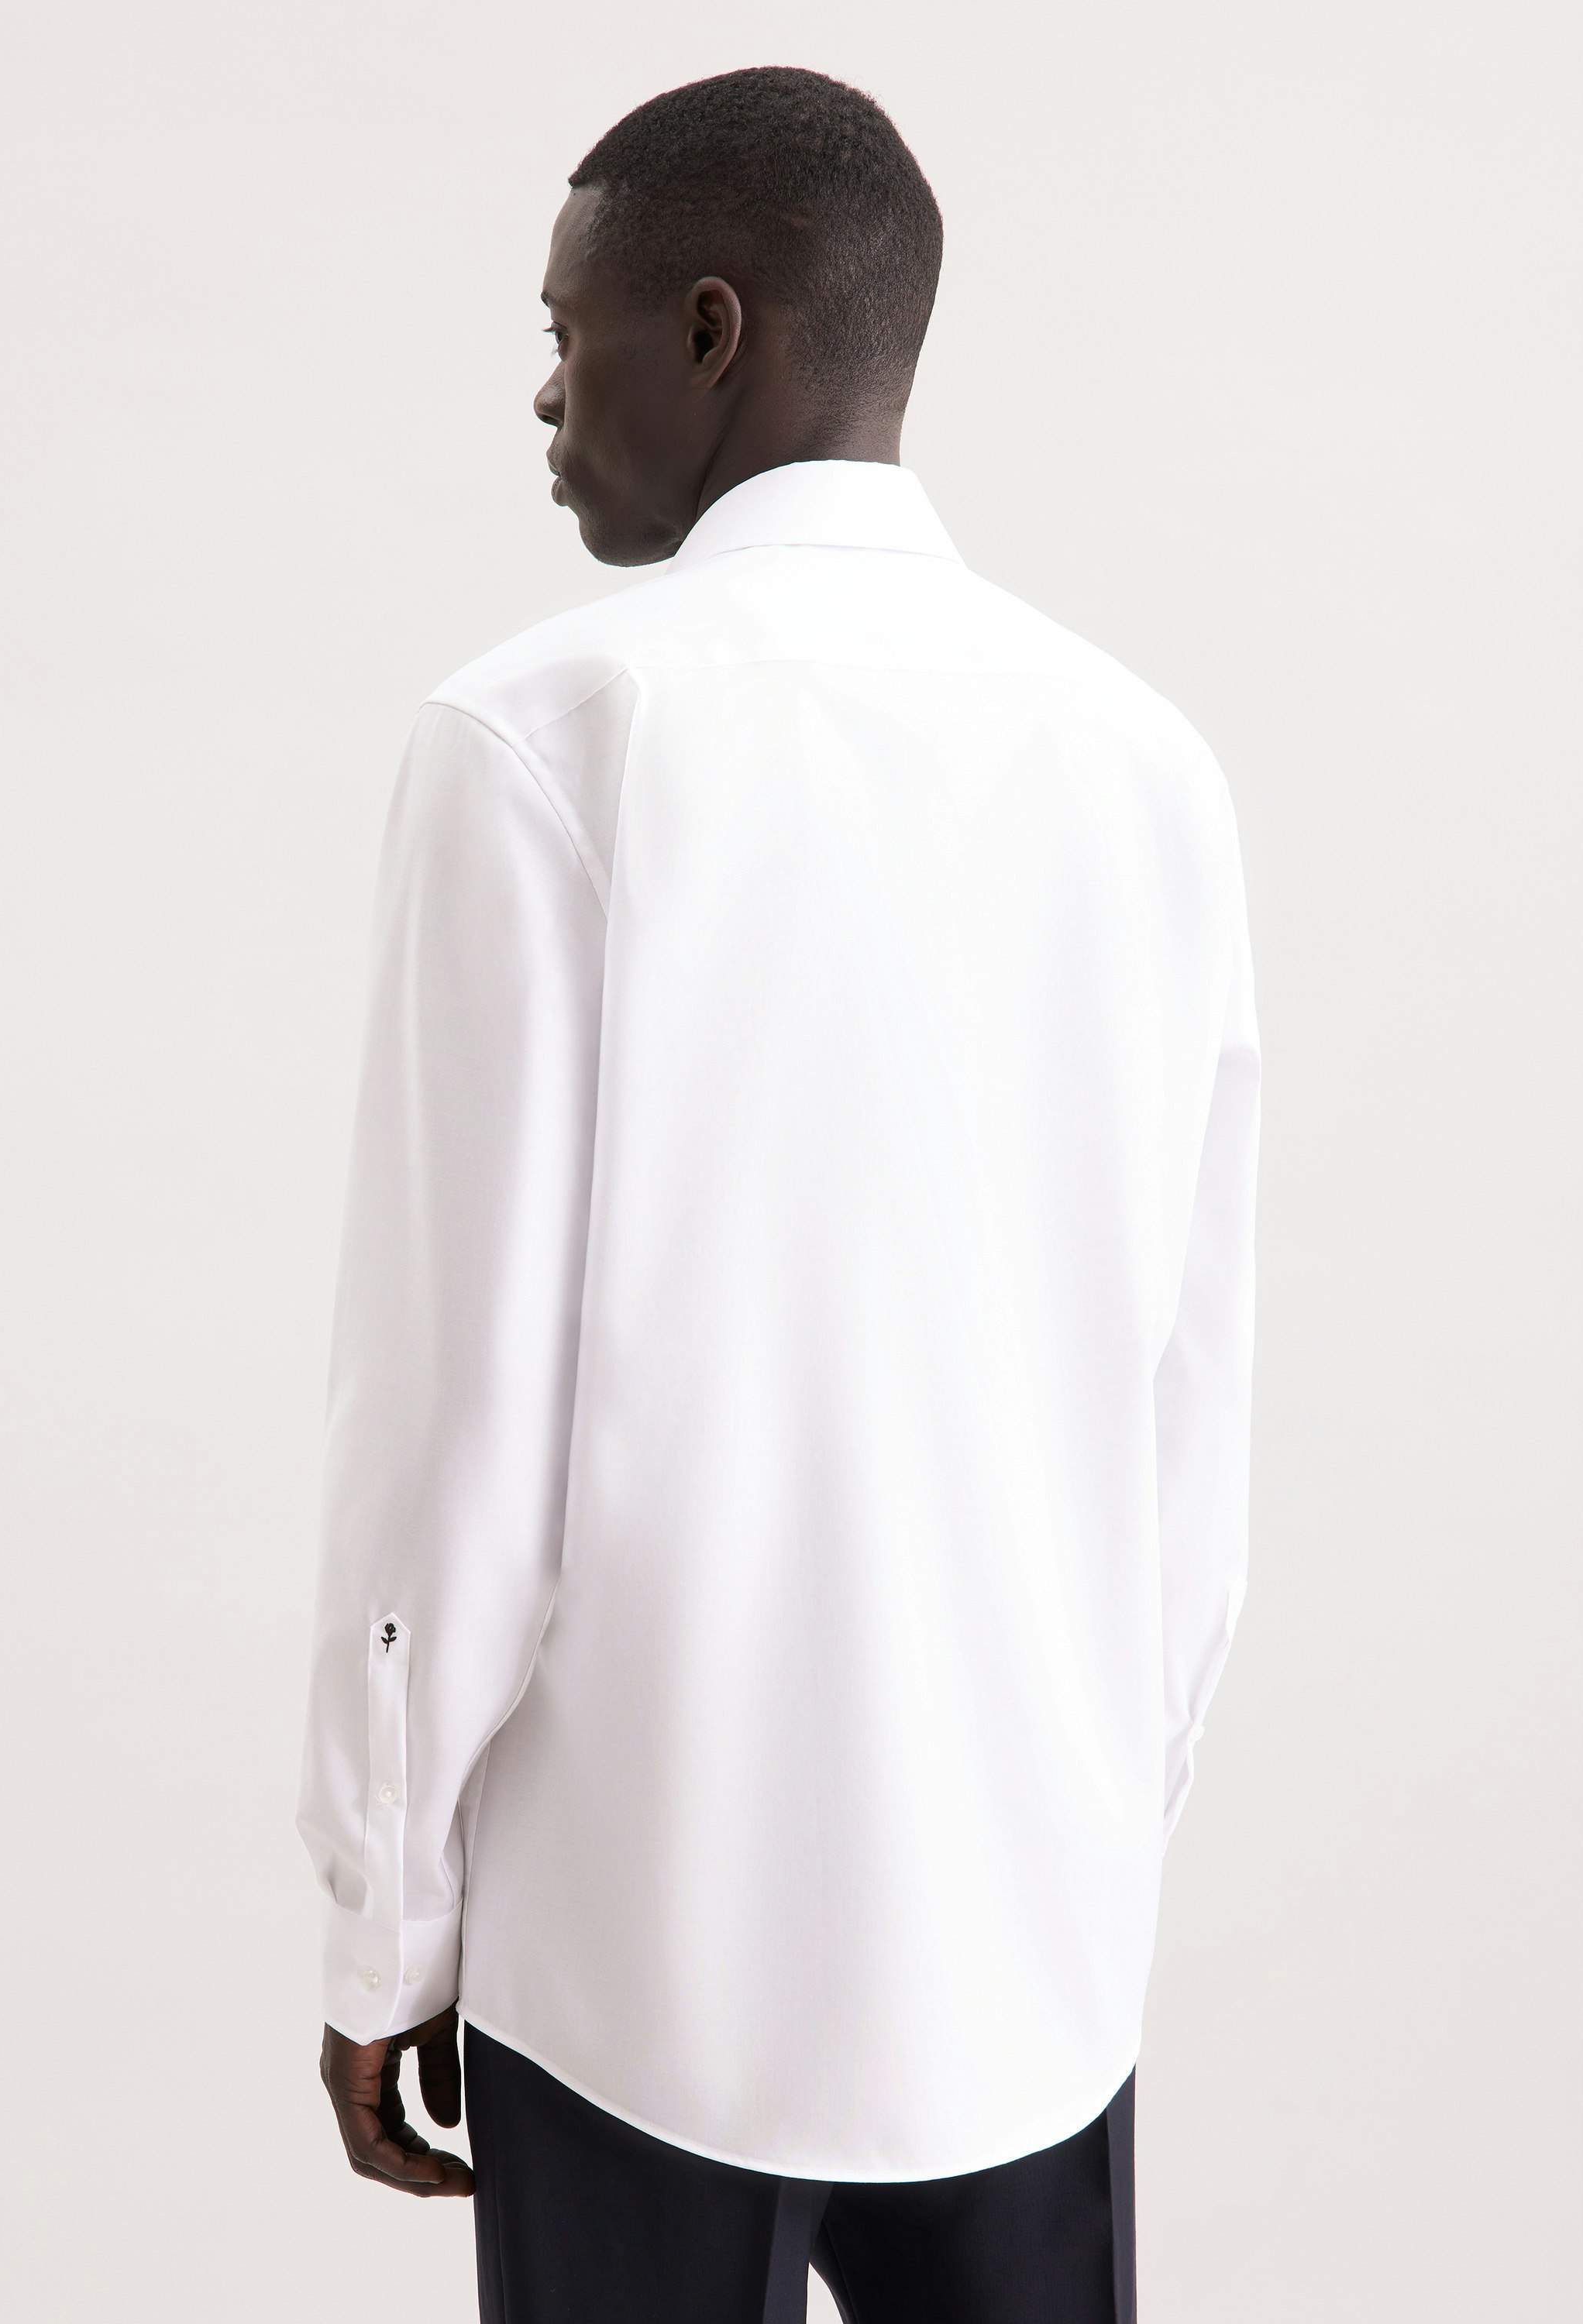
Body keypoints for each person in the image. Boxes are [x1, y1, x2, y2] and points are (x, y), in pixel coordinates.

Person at [298, 64, 1258, 2324]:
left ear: (713, 329)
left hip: (643, 1959)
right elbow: (1191, 1419)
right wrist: (1084, 1836)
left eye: (571, 330)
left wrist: (383, 1921)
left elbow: (452, 1427)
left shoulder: (544, 740)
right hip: (1028, 1957)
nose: (547, 392)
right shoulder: (1144, 765)